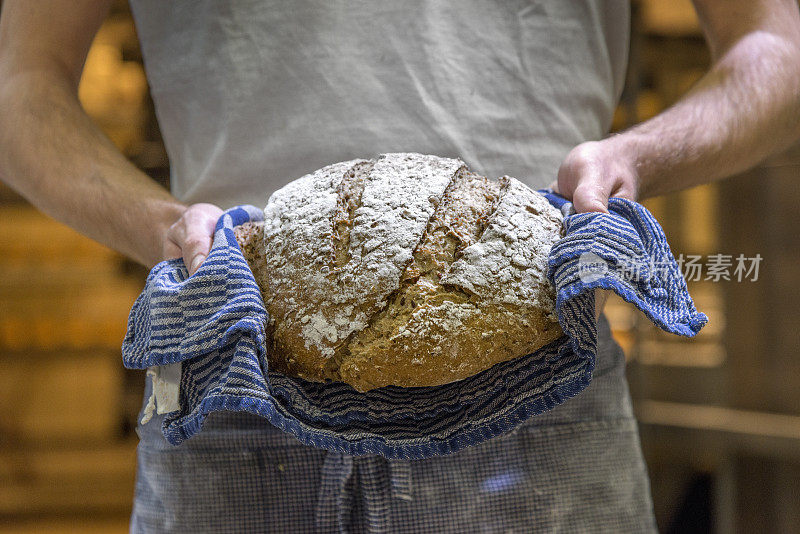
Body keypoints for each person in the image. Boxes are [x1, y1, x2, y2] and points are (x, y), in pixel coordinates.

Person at [1, 0, 799, 531]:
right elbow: (19, 85)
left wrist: (635, 159)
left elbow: (778, 47)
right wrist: (167, 226)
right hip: (228, 385)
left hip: (542, 388)